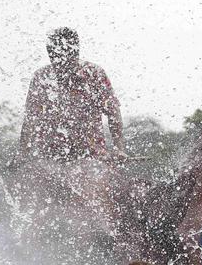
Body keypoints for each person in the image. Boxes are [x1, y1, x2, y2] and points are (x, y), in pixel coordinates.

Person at [18, 27, 125, 163]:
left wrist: (118, 148)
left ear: (75, 53)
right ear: (50, 54)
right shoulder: (42, 78)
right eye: (54, 57)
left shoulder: (94, 74)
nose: (60, 64)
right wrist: (22, 153)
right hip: (49, 157)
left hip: (91, 157)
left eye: (65, 56)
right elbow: (30, 119)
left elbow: (113, 112)